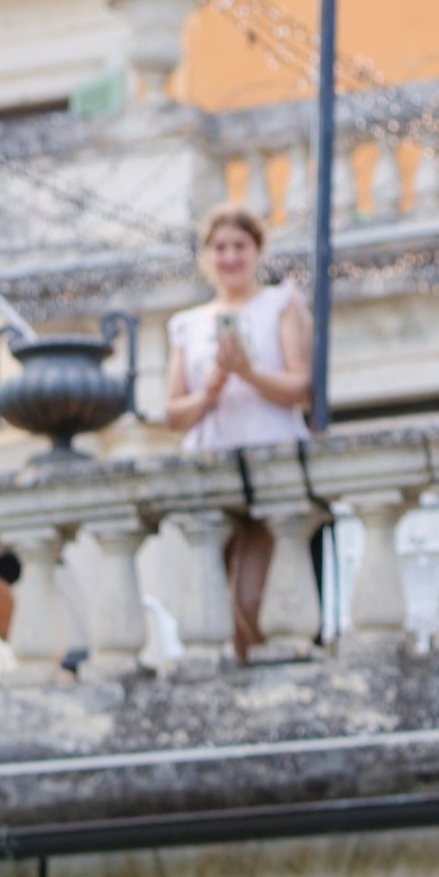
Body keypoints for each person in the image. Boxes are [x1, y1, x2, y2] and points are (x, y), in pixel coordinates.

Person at [162, 204, 312, 659]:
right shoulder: (188, 324)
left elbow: (301, 387)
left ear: (256, 251)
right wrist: (209, 392)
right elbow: (172, 413)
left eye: (239, 246)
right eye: (220, 247)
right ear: (207, 256)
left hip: (270, 464)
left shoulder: (281, 304)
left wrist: (247, 372)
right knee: (215, 600)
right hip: (211, 466)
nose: (230, 257)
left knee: (251, 595)